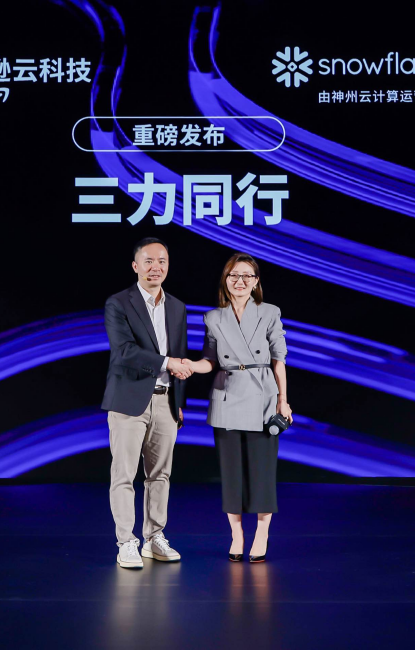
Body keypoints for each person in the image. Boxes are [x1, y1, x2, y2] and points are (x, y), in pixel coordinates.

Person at [184, 253, 291, 562]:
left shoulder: (269, 312)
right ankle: (236, 534)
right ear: (225, 280)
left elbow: (278, 360)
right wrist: (189, 365)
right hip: (227, 396)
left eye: (247, 276)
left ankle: (262, 533)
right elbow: (210, 360)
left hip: (263, 397)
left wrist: (283, 400)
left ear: (256, 282)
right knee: (231, 473)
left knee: (262, 472)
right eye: (234, 275)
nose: (240, 281)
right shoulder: (213, 318)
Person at [102, 237, 192, 569]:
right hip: (128, 400)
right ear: (135, 266)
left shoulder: (177, 307)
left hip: (166, 401)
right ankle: (126, 541)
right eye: (149, 261)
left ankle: (154, 538)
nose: (156, 267)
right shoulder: (118, 303)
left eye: (162, 261)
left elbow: (181, 354)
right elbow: (124, 352)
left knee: (160, 476)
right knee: (123, 474)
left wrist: (178, 400)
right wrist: (167, 363)